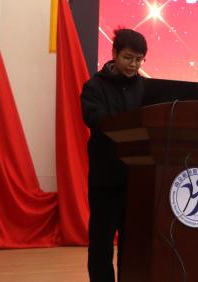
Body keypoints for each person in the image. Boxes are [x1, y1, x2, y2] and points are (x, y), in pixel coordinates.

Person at [80, 28, 147, 282]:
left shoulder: (145, 88)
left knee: (133, 244)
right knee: (102, 242)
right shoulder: (94, 86)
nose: (133, 65)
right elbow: (94, 119)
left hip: (138, 178)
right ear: (114, 53)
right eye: (128, 58)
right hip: (106, 177)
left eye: (139, 60)